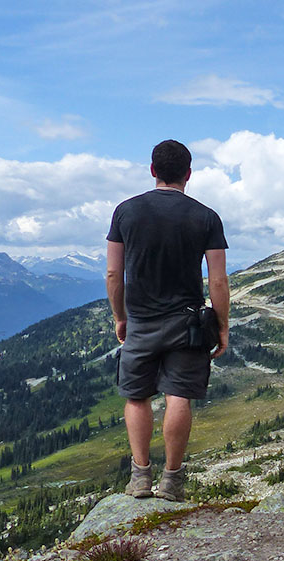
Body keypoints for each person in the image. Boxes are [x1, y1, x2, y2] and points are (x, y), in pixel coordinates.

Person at [105, 139, 230, 502]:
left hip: (141, 320)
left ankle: (140, 477)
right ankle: (172, 481)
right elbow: (218, 280)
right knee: (179, 396)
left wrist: (120, 317)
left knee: (137, 396)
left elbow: (114, 274)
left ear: (152, 170)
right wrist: (221, 326)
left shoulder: (125, 212)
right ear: (188, 174)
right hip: (187, 324)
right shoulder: (206, 216)